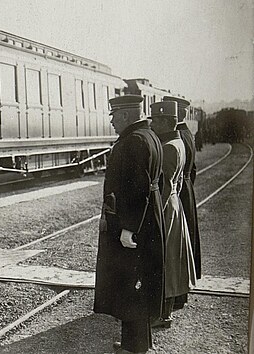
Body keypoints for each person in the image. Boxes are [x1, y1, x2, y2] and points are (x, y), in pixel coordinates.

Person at [93, 95, 165, 354]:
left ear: (126, 115)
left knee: (129, 284)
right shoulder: (149, 137)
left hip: (133, 226)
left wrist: (129, 228)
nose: (111, 120)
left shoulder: (133, 142)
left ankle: (134, 348)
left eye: (115, 115)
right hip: (147, 219)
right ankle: (140, 342)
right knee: (138, 282)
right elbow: (156, 184)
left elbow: (137, 190)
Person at [149, 101, 197, 328]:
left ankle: (163, 315)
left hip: (167, 208)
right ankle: (163, 313)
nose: (152, 124)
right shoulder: (177, 142)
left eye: (156, 121)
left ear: (168, 122)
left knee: (165, 260)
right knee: (170, 261)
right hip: (174, 207)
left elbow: (165, 186)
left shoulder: (169, 147)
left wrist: (156, 214)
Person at [163, 96, 201, 310]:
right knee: (184, 243)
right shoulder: (187, 134)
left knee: (175, 247)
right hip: (185, 188)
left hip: (178, 191)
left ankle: (177, 295)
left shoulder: (178, 138)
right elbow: (193, 169)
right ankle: (180, 293)